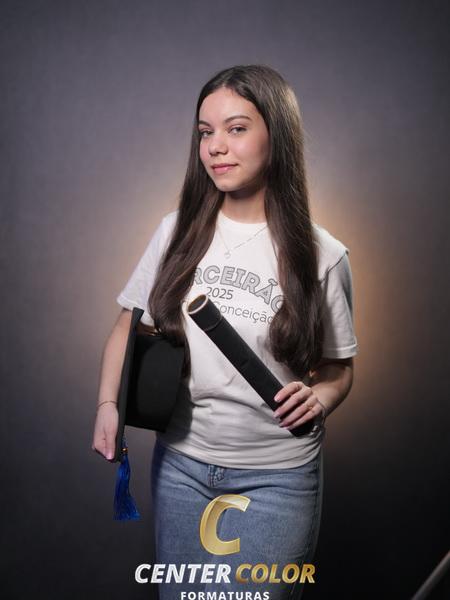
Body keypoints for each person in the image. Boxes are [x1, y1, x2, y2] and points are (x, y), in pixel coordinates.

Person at [92, 64, 358, 599]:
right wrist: (106, 405)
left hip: (277, 478)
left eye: (236, 129)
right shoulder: (176, 231)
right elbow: (128, 325)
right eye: (205, 132)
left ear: (276, 135)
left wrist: (321, 399)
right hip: (182, 467)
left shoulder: (323, 254)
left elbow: (338, 370)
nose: (215, 146)